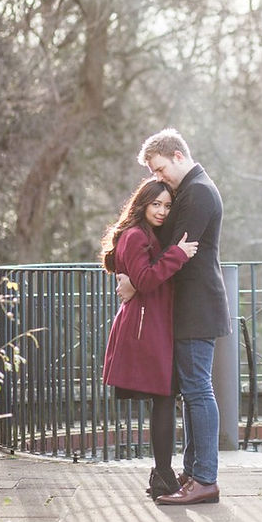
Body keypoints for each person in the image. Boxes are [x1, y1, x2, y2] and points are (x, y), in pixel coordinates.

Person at [117, 128, 231, 506]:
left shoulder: (197, 193)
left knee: (198, 391)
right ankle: (194, 472)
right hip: (189, 308)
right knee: (194, 391)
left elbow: (172, 249)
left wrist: (136, 280)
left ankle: (205, 479)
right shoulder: (192, 189)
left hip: (196, 307)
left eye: (160, 169)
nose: (158, 177)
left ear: (178, 156)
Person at [100, 178, 198, 500]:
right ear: (142, 204)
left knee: (164, 400)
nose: (162, 211)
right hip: (145, 327)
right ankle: (163, 475)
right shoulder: (135, 235)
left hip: (151, 323)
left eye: (167, 206)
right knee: (164, 400)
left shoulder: (145, 234)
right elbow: (144, 279)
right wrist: (178, 254)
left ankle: (161, 473)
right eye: (156, 204)